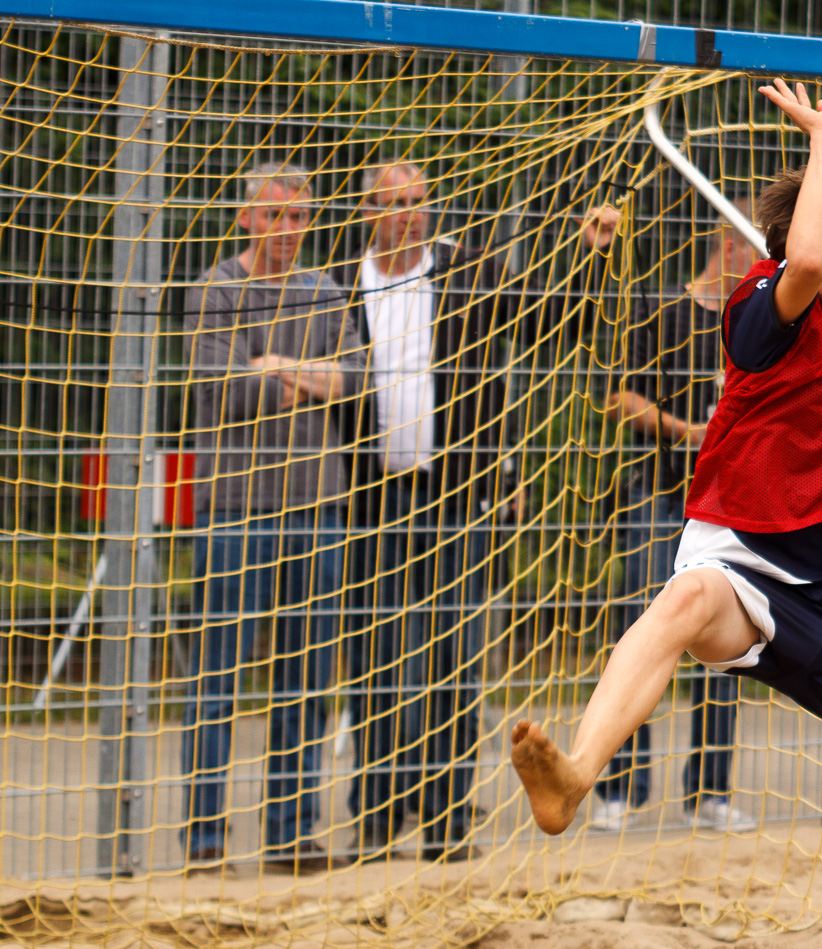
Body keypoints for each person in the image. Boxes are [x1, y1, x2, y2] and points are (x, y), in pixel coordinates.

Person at [509, 25, 822, 907]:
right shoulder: (760, 312)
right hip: (735, 558)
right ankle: (578, 774)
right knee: (683, 600)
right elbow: (805, 256)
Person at [336, 160, 618, 862]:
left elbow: (550, 320)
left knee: (452, 660)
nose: (409, 214)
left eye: (419, 201)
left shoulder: (468, 270)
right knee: (375, 657)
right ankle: (376, 811)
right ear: (368, 212)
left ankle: (445, 813)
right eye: (394, 203)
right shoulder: (340, 286)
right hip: (368, 495)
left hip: (456, 495)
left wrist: (591, 254)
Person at [182, 161, 362, 872]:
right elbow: (220, 387)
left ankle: (292, 831)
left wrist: (274, 367)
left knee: (307, 675)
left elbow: (354, 380)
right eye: (274, 216)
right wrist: (298, 378)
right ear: (245, 219)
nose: (288, 230)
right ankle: (205, 838)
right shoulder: (216, 288)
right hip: (234, 507)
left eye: (299, 217)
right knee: (218, 675)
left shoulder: (323, 289)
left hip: (318, 507)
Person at [597, 206, 759, 832]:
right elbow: (618, 396)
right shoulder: (666, 312)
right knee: (640, 635)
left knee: (725, 644)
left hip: (727, 507)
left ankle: (710, 792)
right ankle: (620, 788)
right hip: (659, 496)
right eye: (751, 248)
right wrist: (685, 431)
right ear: (727, 244)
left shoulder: (755, 322)